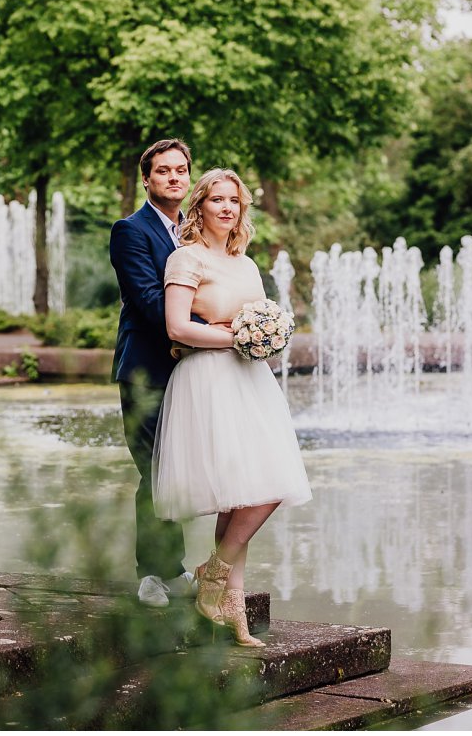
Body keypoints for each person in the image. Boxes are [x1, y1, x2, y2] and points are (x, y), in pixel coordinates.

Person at [152, 167, 311, 646]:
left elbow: (256, 317)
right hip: (209, 378)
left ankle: (218, 582)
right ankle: (225, 594)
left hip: (250, 379)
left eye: (234, 201)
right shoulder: (185, 260)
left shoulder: (246, 263)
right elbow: (177, 328)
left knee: (263, 485)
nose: (226, 207)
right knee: (240, 490)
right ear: (199, 206)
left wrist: (265, 337)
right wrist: (232, 337)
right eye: (217, 199)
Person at [109, 138, 197, 607]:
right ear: (147, 179)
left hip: (189, 370)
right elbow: (148, 302)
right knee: (154, 470)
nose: (174, 178)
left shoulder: (195, 232)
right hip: (145, 370)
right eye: (163, 171)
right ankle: (153, 575)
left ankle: (174, 567)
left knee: (176, 471)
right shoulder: (130, 231)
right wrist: (213, 328)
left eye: (181, 170)